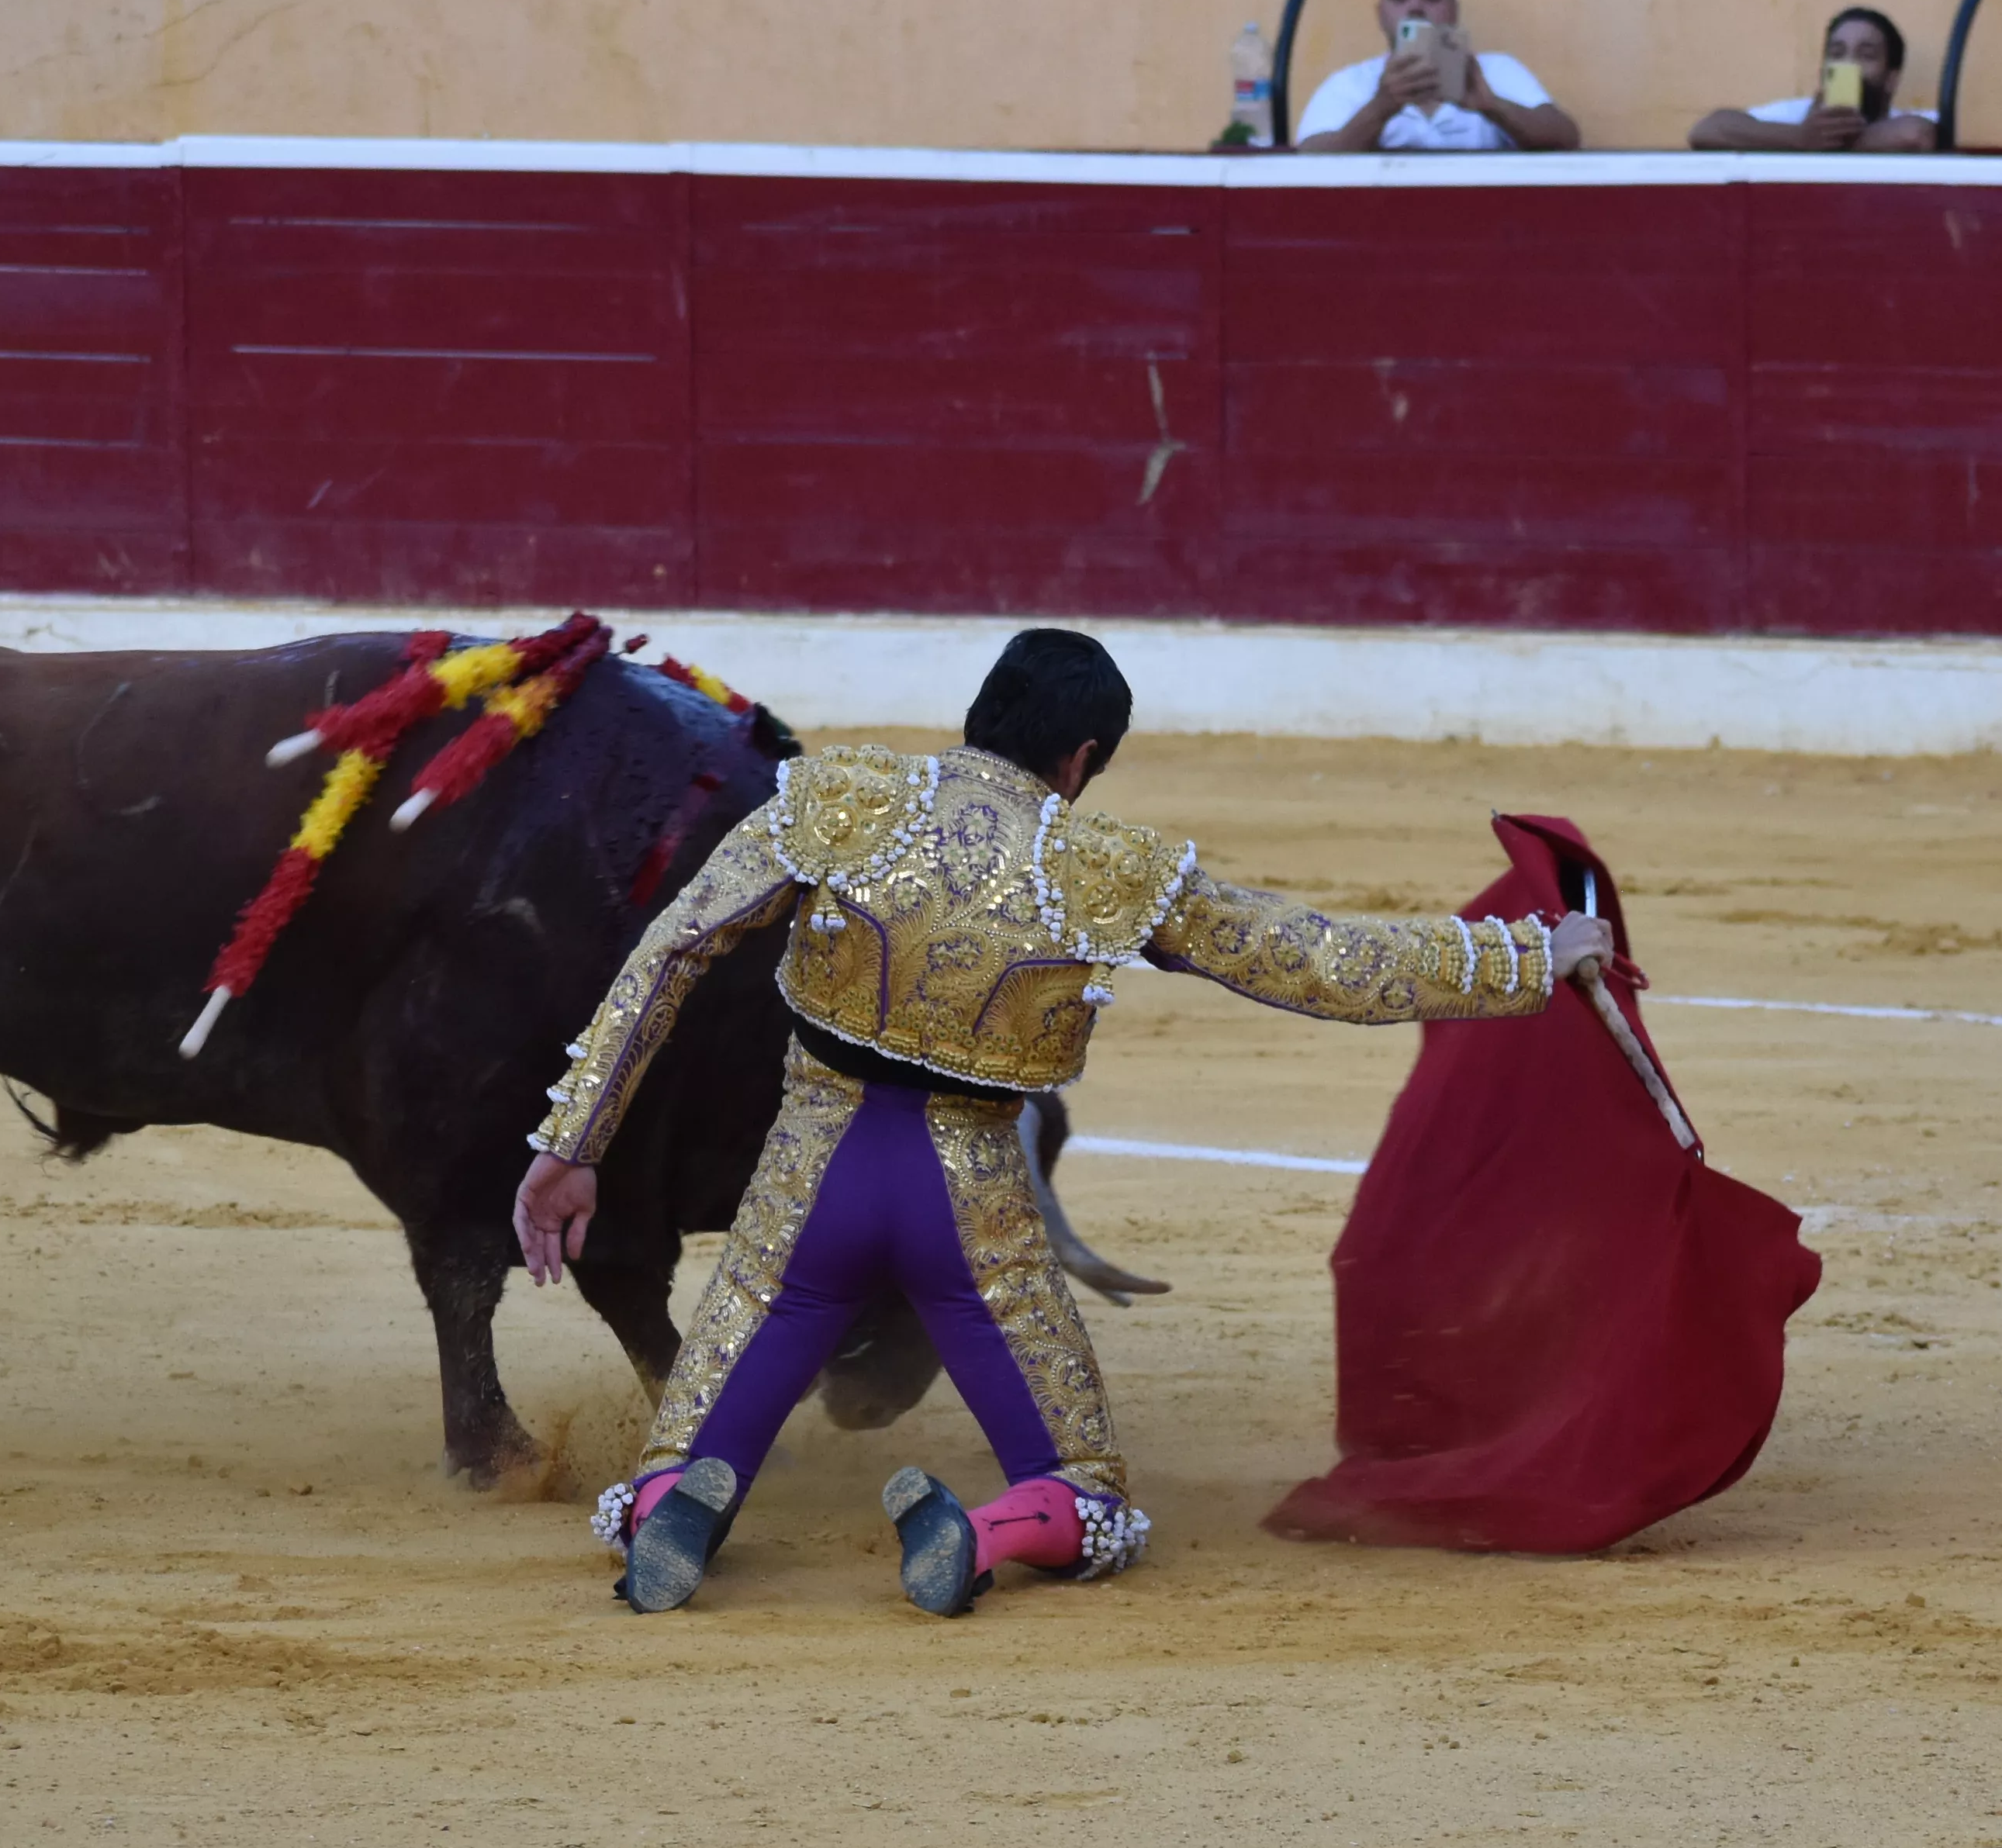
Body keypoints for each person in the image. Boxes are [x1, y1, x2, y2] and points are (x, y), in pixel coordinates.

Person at [513, 629, 1616, 1618]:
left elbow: (669, 954)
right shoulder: (1108, 870)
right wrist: (1527, 956)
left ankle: (675, 1506)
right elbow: (1319, 961)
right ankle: (986, 1532)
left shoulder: (837, 800)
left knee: (691, 1436)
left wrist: (574, 1144)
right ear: (1082, 758)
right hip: (968, 1207)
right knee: (1085, 1491)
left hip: (810, 1183)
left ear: (982, 711)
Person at [1294, 0, 1581, 148]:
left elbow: (1566, 139)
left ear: (1454, 10)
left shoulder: (1497, 71)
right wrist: (1381, 107)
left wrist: (1492, 106)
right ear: (1381, 14)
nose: (1415, 8)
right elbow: (1310, 160)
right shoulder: (1350, 83)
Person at [1688, 3, 1938, 149]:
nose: (1848, 65)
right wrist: (1800, 138)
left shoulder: (1906, 120)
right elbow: (1708, 130)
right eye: (1837, 54)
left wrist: (1824, 143)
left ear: (1892, 79)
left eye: (1866, 55)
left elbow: (1916, 134)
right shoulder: (1795, 116)